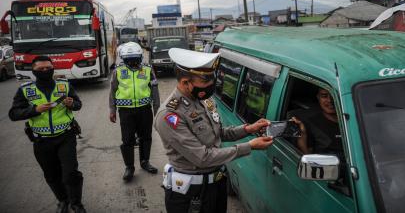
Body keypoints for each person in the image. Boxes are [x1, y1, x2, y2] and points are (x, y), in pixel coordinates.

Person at [155, 48, 274, 213]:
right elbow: (203, 158)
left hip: (216, 185)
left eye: (212, 80)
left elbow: (219, 133)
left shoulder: (203, 101)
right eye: (205, 82)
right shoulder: (170, 115)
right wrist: (250, 146)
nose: (211, 85)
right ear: (185, 83)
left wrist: (248, 129)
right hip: (191, 194)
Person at [8, 56, 86, 213]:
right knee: (51, 174)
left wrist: (72, 104)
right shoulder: (26, 90)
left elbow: (78, 104)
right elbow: (13, 114)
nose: (45, 71)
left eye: (48, 68)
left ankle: (76, 203)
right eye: (40, 69)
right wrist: (34, 110)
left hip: (66, 136)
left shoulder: (64, 85)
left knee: (71, 172)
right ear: (34, 71)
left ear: (52, 68)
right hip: (41, 141)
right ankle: (63, 200)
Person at [109, 41, 160, 181]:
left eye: (135, 59)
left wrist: (157, 110)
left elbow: (155, 91)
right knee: (127, 140)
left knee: (146, 137)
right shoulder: (118, 70)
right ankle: (129, 167)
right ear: (123, 59)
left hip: (145, 110)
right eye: (129, 60)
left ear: (140, 57)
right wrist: (112, 110)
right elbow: (113, 91)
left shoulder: (148, 69)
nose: (132, 62)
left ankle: (145, 162)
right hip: (126, 112)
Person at [291, 88, 342, 156]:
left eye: (335, 96)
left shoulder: (357, 118)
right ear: (318, 97)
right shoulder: (311, 123)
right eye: (324, 96)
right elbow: (308, 158)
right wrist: (302, 135)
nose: (330, 100)